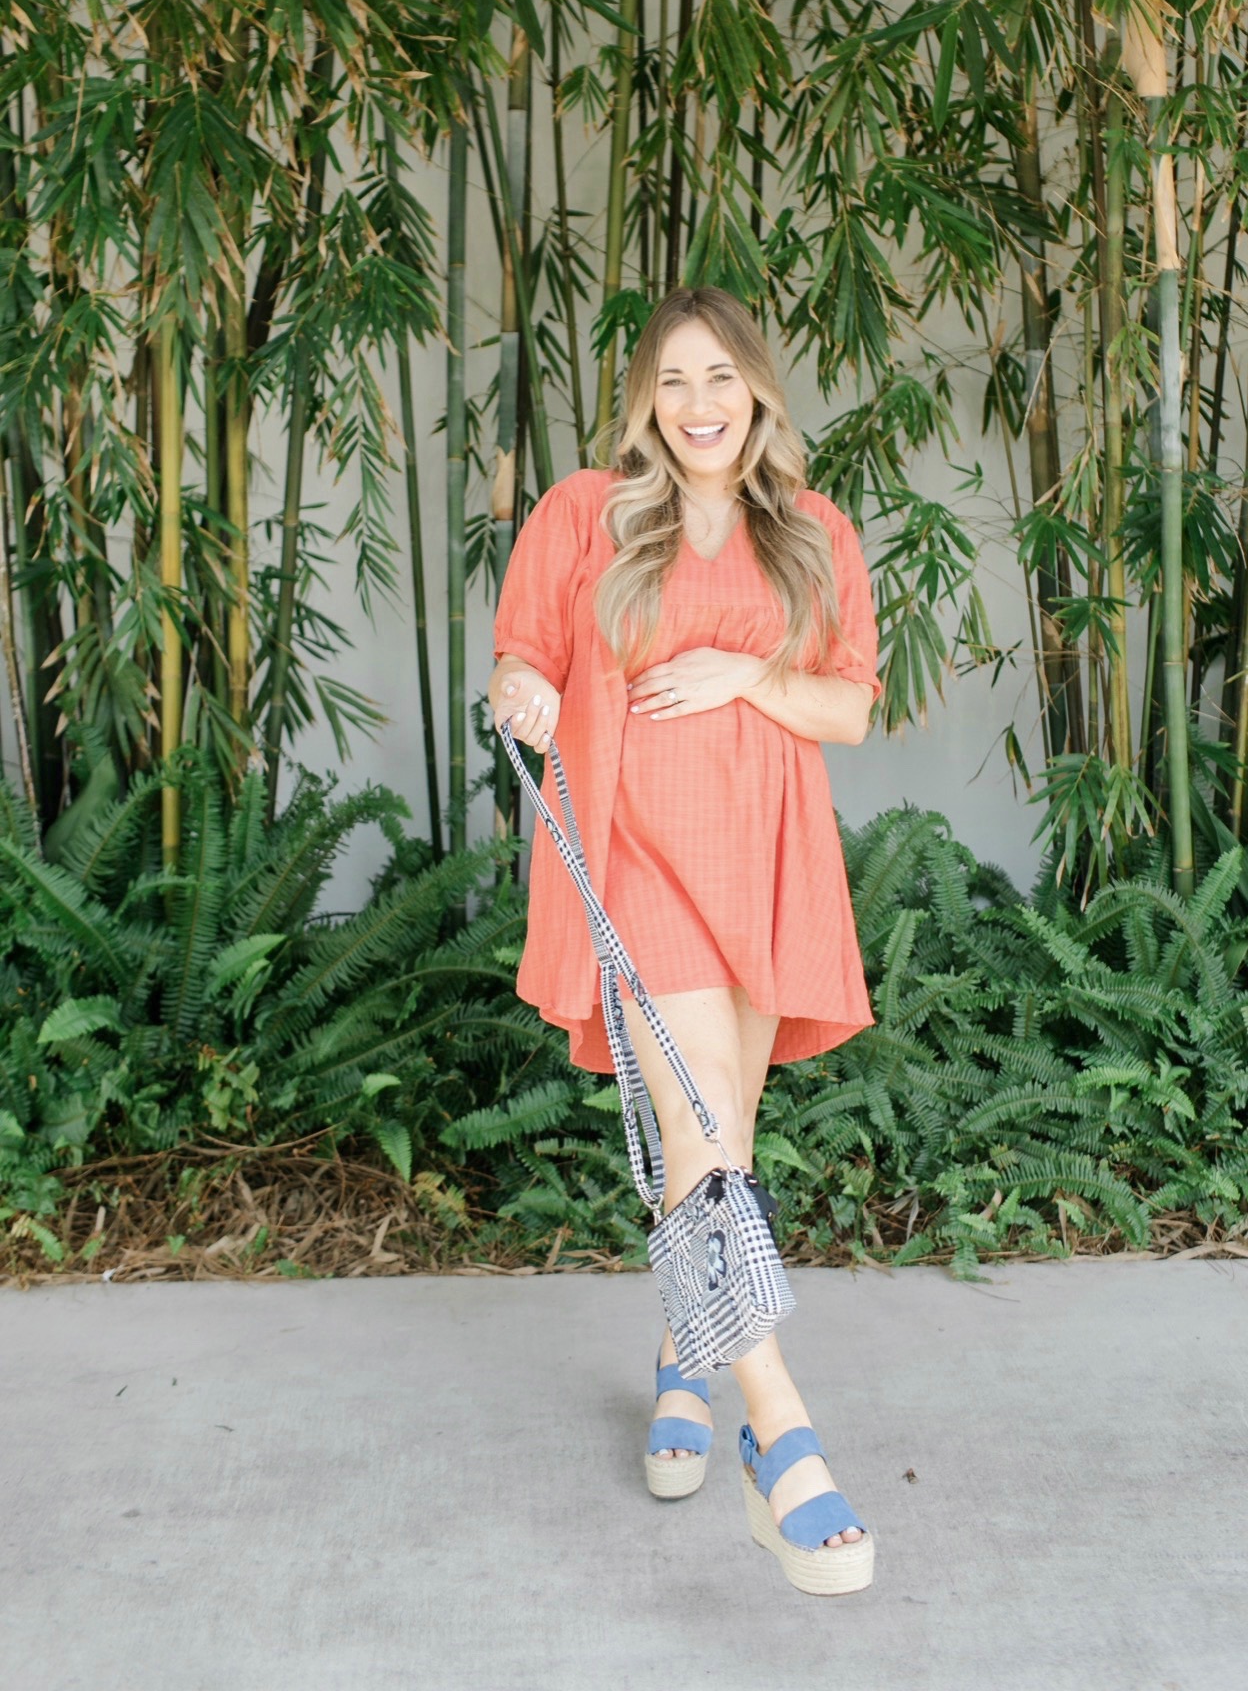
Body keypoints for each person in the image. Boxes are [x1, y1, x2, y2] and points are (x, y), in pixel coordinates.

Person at [487, 285, 880, 1597]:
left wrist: (749, 675)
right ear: (644, 401)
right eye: (672, 382)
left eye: (720, 379)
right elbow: (519, 663)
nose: (698, 405)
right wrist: (525, 690)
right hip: (637, 850)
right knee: (701, 1132)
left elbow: (848, 710)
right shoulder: (584, 518)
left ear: (758, 390)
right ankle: (787, 1447)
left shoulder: (814, 534)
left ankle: (680, 1356)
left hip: (765, 859)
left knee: (725, 1146)